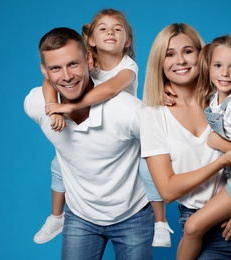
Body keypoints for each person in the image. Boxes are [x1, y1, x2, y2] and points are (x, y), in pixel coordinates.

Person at [33, 9, 173, 247]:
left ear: (127, 40)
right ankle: (57, 216)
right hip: (96, 137)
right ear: (91, 41)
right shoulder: (86, 64)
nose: (110, 33)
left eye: (118, 29)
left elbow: (107, 91)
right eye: (103, 29)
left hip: (130, 135)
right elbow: (50, 79)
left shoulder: (127, 67)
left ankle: (160, 222)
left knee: (149, 170)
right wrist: (52, 104)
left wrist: (69, 106)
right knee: (59, 164)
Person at [140, 23, 231, 259]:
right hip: (202, 231)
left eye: (188, 51)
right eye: (169, 54)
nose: (180, 60)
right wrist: (222, 160)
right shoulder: (153, 113)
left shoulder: (223, 98)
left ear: (202, 55)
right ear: (159, 63)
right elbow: (168, 191)